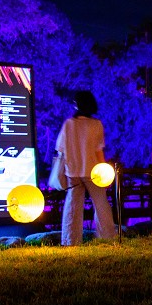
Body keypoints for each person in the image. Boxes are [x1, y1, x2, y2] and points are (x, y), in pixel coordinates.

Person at [54, 90, 118, 247]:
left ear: (76, 105)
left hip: (73, 172)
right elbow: (99, 152)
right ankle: (107, 237)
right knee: (101, 204)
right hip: (93, 171)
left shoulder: (69, 124)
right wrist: (104, 173)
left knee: (72, 207)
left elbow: (60, 150)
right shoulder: (96, 125)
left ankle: (70, 240)